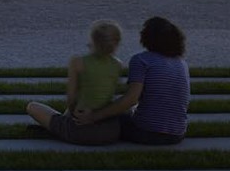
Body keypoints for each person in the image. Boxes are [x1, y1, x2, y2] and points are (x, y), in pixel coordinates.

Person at [75, 17, 190, 145]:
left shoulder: (141, 60)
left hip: (147, 132)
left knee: (106, 114)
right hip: (178, 134)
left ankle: (71, 125)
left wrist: (93, 117)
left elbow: (131, 100)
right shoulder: (181, 62)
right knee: (120, 109)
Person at [26, 20, 124, 146]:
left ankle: (58, 130)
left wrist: (73, 114)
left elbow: (71, 100)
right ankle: (59, 128)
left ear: (92, 41)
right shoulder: (117, 65)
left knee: (32, 106)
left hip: (81, 130)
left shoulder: (78, 62)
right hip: (110, 131)